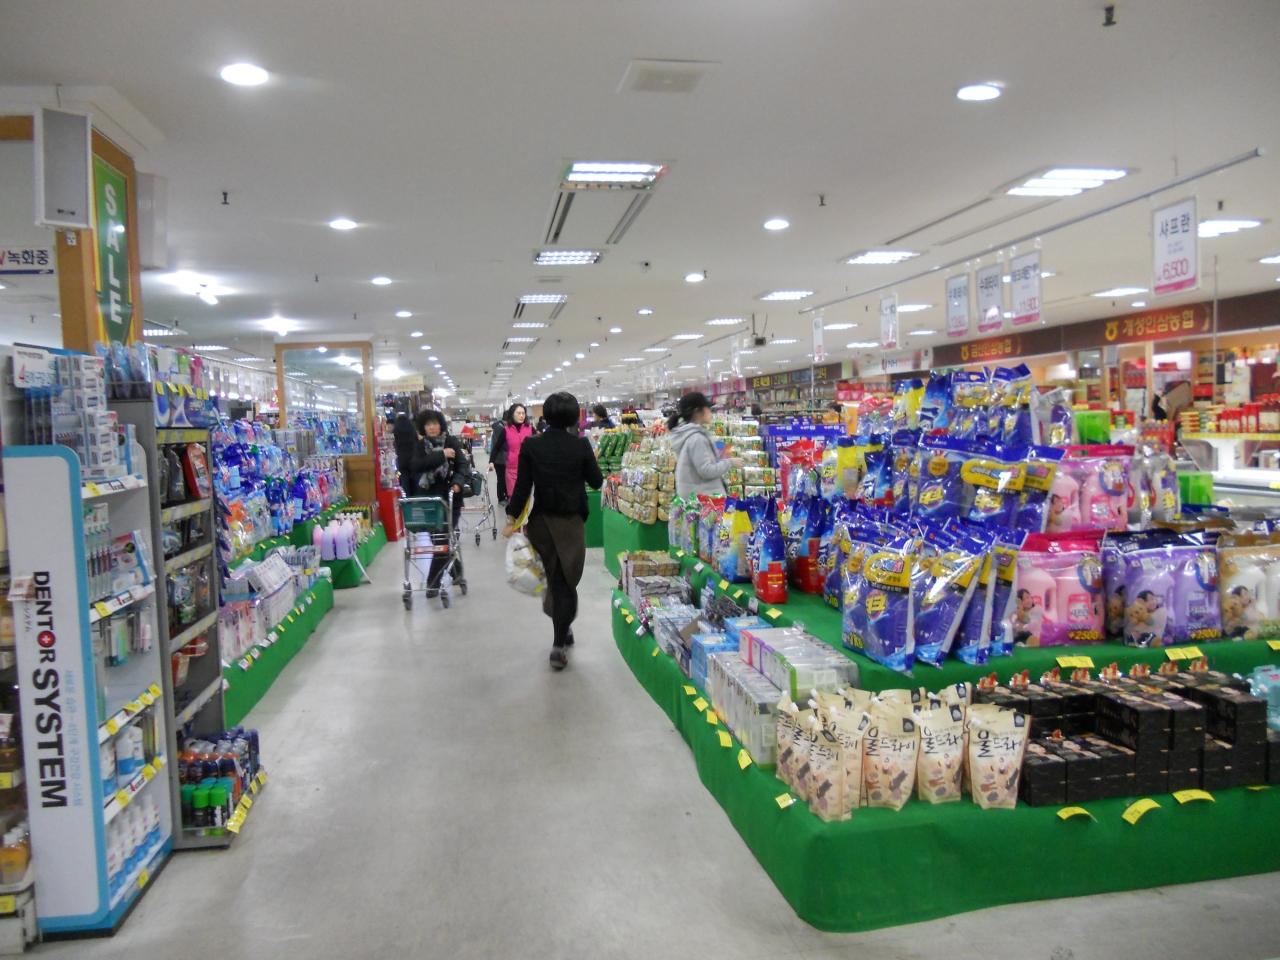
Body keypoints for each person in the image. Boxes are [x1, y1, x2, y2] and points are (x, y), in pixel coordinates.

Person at [503, 392, 603, 670]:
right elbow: (597, 481)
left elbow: (522, 486)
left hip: (541, 524)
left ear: (545, 416)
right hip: (571, 524)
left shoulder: (532, 445)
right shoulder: (581, 445)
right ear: (574, 417)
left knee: (552, 580)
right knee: (565, 581)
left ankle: (562, 628)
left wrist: (511, 518)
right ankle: (559, 642)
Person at [410, 409, 473, 596]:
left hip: (451, 499)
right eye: (428, 424)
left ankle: (433, 583)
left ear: (441, 425)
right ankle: (457, 572)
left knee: (442, 539)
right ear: (423, 427)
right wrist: (442, 455)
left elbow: (463, 465)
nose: (432, 427)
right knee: (438, 540)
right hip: (430, 501)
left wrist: (458, 483)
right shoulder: (420, 446)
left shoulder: (451, 441)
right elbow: (416, 466)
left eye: (435, 423)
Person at [668, 391, 743, 498]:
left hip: (697, 497)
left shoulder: (689, 434)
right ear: (697, 411)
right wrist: (730, 462)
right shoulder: (696, 438)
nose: (710, 412)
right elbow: (706, 471)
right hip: (704, 501)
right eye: (708, 408)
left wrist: (719, 450)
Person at [488, 403, 534, 503]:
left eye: (523, 413)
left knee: (525, 500)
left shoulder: (530, 429)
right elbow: (496, 447)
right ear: (512, 414)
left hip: (527, 469)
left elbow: (538, 446)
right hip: (511, 470)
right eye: (518, 413)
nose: (521, 415)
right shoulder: (506, 430)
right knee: (513, 499)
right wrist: (491, 461)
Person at [392, 412, 420, 496]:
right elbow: (417, 441)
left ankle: (406, 498)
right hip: (413, 458)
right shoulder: (411, 428)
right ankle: (417, 497)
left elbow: (394, 444)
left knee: (404, 479)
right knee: (415, 479)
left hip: (401, 460)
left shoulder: (396, 429)